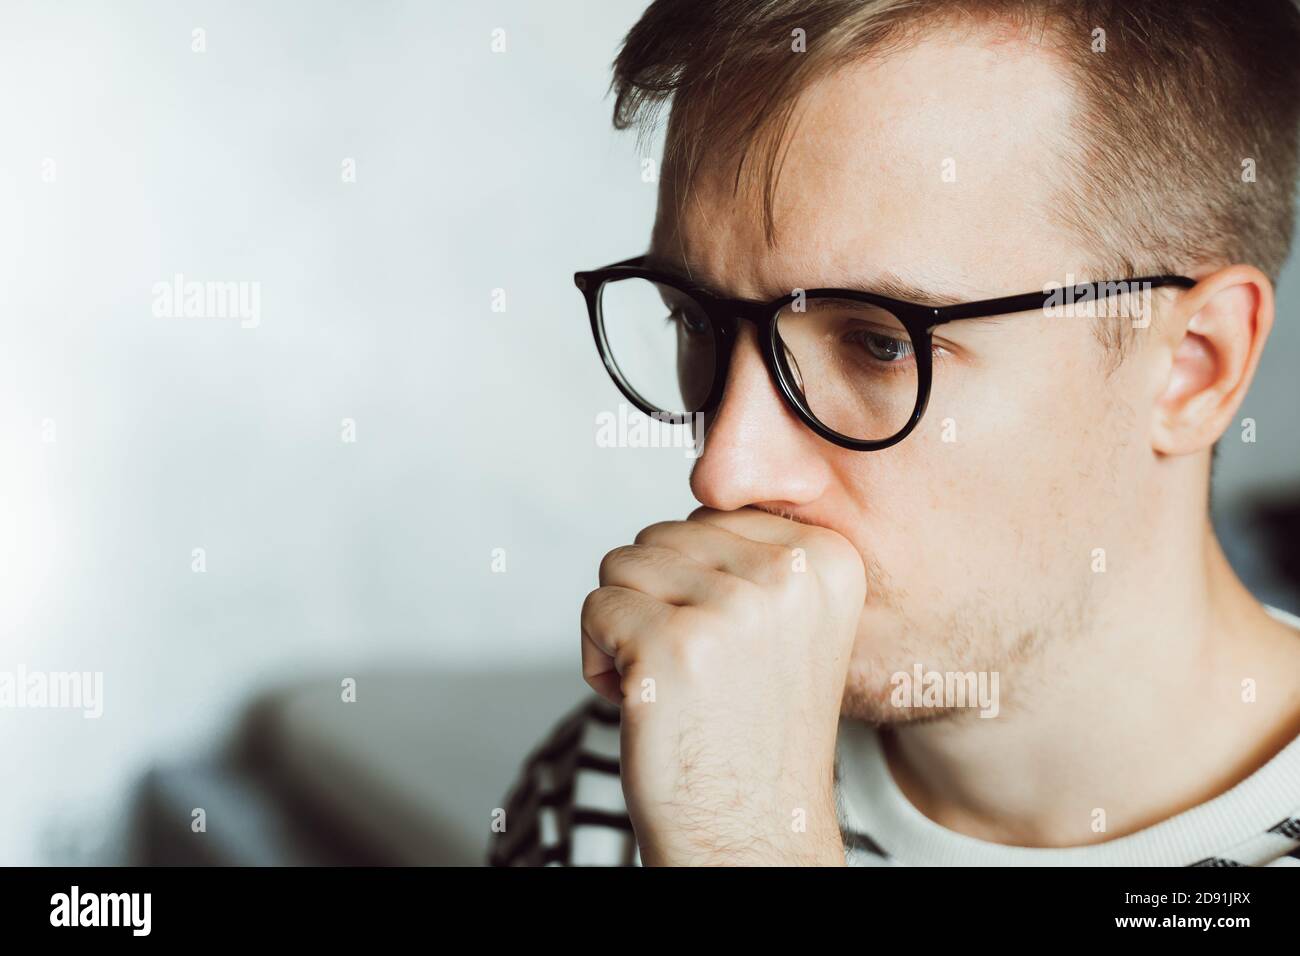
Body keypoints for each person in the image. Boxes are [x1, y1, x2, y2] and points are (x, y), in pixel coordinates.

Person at [491, 0, 1300, 866]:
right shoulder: (633, 779)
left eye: (878, 343)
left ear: (1194, 365)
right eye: (698, 322)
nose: (725, 470)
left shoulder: (705, 814)